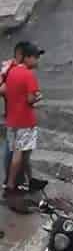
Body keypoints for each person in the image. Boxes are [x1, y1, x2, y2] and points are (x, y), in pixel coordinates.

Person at [4, 43, 45, 194]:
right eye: (35, 57)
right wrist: (38, 97)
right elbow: (30, 99)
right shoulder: (28, 75)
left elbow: (7, 91)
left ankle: (31, 180)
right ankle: (10, 184)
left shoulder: (12, 72)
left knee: (25, 154)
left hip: (12, 121)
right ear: (27, 58)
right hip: (25, 122)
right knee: (19, 154)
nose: (37, 60)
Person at [1, 41, 27, 188]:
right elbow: (3, 89)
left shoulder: (14, 68)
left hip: (16, 114)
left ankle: (17, 179)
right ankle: (10, 181)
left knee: (16, 148)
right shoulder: (10, 68)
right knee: (12, 148)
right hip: (15, 115)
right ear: (20, 55)